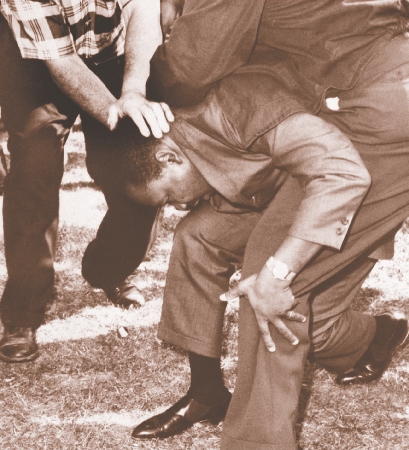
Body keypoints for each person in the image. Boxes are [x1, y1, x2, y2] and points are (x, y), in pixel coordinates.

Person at [140, 2, 409, 447]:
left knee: (270, 281)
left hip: (373, 99)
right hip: (349, 90)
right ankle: (207, 391)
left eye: (166, 198)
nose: (169, 207)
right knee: (202, 236)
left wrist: (145, 86)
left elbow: (194, 62)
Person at [0, 0, 173, 363]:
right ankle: (22, 311)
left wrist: (134, 93)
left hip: (113, 46)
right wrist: (116, 112)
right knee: (34, 169)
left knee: (140, 162)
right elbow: (61, 61)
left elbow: (142, 9)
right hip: (36, 59)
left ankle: (109, 269)